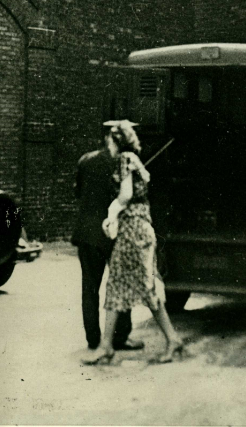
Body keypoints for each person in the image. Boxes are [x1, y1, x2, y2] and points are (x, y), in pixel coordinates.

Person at [83, 120, 183, 365]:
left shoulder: (124, 159)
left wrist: (111, 213)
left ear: (116, 141)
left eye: (109, 141)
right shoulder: (133, 159)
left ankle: (171, 340)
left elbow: (126, 194)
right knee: (121, 284)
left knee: (135, 285)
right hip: (139, 229)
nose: (108, 145)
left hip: (133, 231)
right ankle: (107, 345)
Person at [72, 123, 145, 352]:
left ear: (107, 138)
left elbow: (77, 192)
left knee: (89, 287)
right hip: (114, 231)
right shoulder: (124, 163)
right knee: (121, 283)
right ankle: (121, 336)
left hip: (87, 232)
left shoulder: (86, 160)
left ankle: (93, 338)